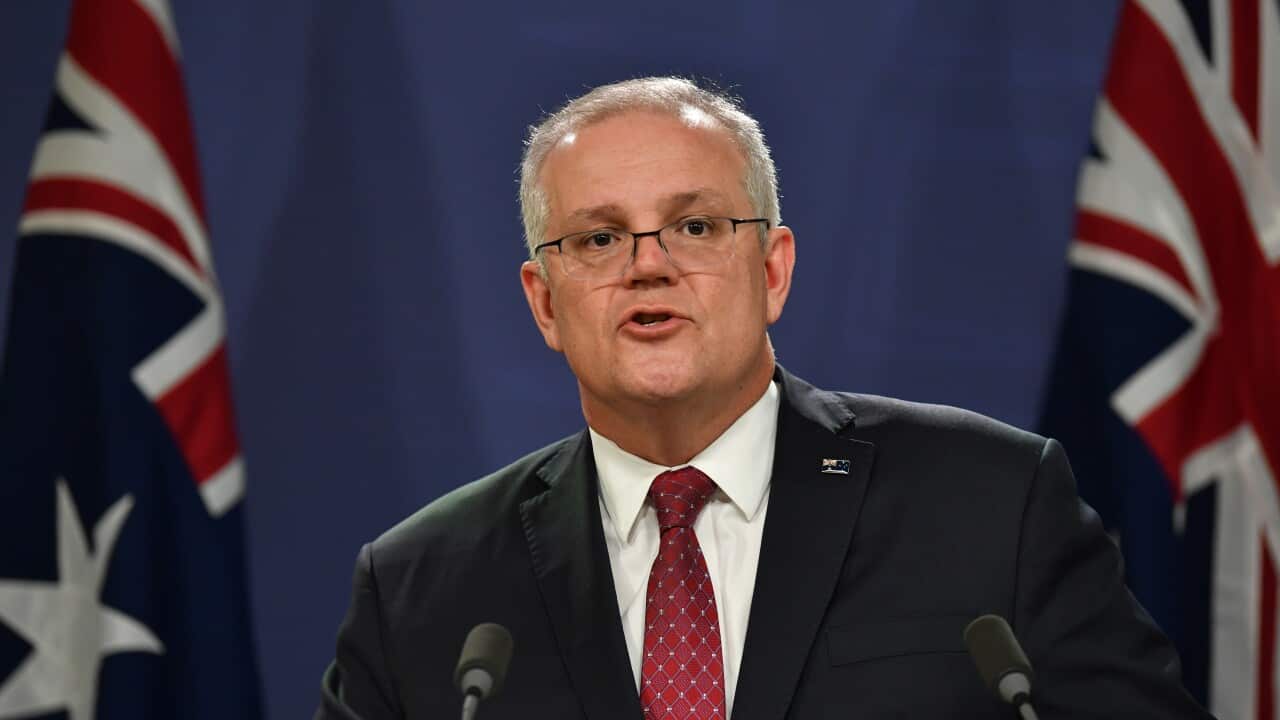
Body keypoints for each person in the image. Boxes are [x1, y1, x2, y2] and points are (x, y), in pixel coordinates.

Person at [316, 77, 1211, 719]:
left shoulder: (990, 505)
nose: (648, 265)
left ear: (773, 270)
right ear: (544, 302)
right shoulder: (421, 588)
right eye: (597, 239)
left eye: (696, 226)